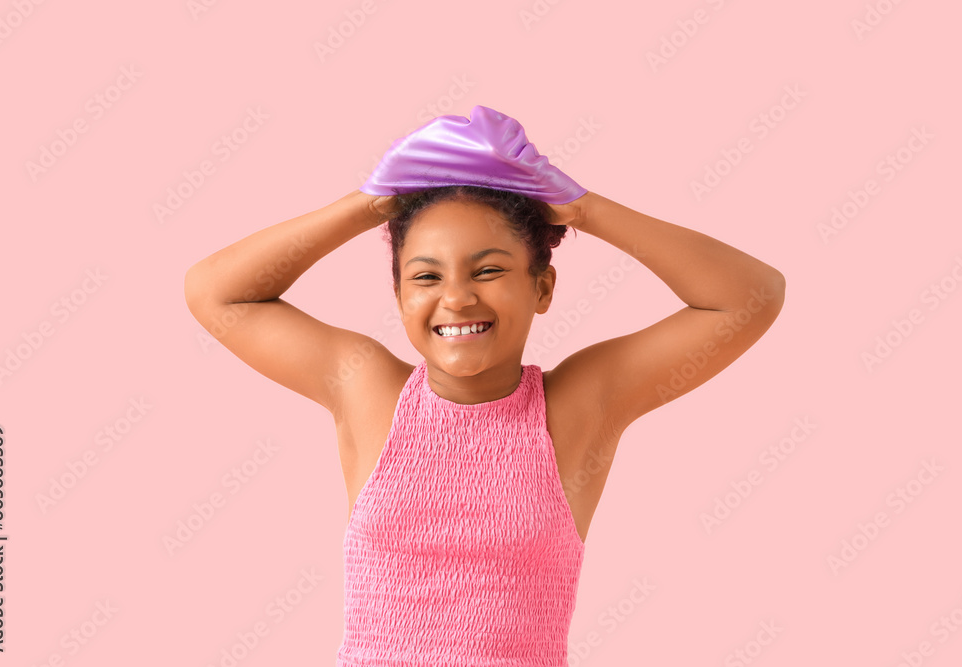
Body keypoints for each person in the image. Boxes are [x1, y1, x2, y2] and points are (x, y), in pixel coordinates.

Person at [183, 106, 785, 665]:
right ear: (398, 295)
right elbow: (216, 292)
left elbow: (750, 296)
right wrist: (371, 205)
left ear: (543, 288)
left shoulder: (578, 405)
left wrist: (582, 210)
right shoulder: (366, 389)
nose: (456, 297)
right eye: (425, 276)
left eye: (489, 269)